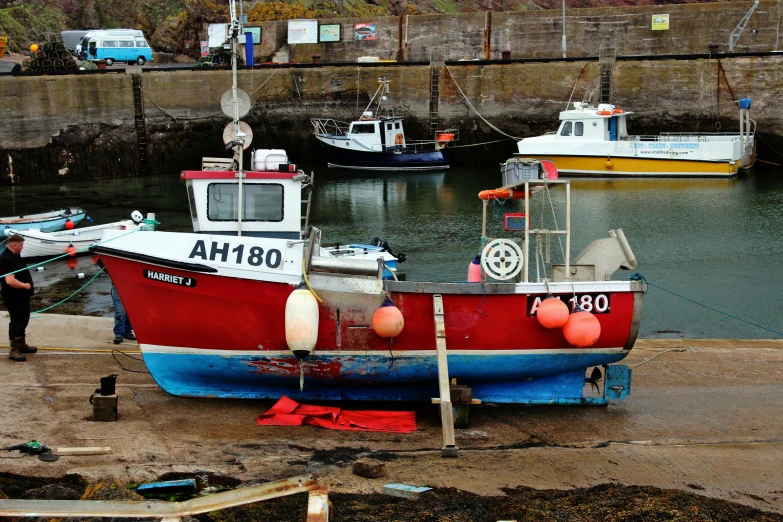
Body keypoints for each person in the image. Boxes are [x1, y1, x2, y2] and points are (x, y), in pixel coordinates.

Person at [0, 234, 37, 362]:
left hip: (21, 296)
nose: (22, 247)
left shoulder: (14, 256)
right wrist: (26, 286)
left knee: (23, 319)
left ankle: (22, 344)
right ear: (14, 245)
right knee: (17, 321)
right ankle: (14, 350)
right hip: (14, 296)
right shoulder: (7, 259)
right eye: (21, 245)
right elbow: (10, 281)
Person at [96, 256, 136, 344]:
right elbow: (100, 260)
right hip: (117, 285)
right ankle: (119, 334)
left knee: (130, 310)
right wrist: (109, 271)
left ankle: (127, 331)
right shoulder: (115, 256)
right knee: (119, 311)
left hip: (131, 285)